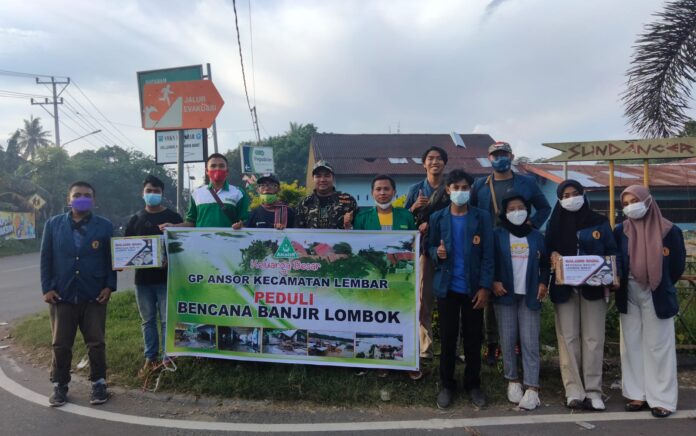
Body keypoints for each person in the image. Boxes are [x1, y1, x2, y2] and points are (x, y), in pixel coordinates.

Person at [470, 141, 551, 366]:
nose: (500, 158)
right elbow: (474, 213)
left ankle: (517, 344)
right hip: (490, 245)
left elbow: (545, 207)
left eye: (504, 154)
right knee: (491, 290)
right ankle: (492, 344)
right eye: (495, 155)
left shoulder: (527, 183)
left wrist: (531, 225)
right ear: (489, 159)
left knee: (519, 288)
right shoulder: (480, 186)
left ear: (511, 155)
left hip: (520, 245)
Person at [40, 181, 117, 407]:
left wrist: (109, 286)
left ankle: (99, 383)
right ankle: (59, 385)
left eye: (87, 195)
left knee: (96, 342)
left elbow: (111, 259)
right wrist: (47, 288)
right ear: (69, 199)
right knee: (61, 343)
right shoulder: (53, 225)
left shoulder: (104, 226)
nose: (82, 198)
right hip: (61, 294)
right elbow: (46, 259)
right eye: (77, 195)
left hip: (94, 294)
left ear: (94, 200)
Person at [545, 179, 618, 411]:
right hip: (564, 288)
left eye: (575, 193)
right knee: (568, 339)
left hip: (594, 287)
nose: (571, 198)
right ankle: (573, 390)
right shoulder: (554, 224)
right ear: (559, 199)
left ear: (583, 194)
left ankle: (594, 390)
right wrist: (553, 255)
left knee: (593, 339)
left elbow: (612, 250)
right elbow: (546, 251)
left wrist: (615, 275)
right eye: (565, 195)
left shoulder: (599, 222)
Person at [615, 185, 685, 418]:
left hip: (657, 291)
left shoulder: (669, 230)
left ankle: (662, 399)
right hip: (628, 291)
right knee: (631, 344)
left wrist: (659, 281)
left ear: (648, 201)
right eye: (625, 203)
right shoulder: (620, 230)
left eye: (634, 200)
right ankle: (637, 394)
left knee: (658, 346)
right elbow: (615, 260)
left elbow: (676, 266)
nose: (629, 207)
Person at [428, 169, 494, 409]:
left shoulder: (482, 217)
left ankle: (473, 384)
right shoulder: (438, 218)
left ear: (470, 190)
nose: (460, 192)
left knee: (474, 339)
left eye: (465, 188)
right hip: (447, 288)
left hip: (474, 289)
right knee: (447, 339)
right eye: (455, 188)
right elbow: (430, 247)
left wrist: (485, 287)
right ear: (447, 191)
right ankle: (447, 385)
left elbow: (488, 255)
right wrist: (438, 253)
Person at [353, 174, 416, 377]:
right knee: (375, 314)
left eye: (386, 189)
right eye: (378, 189)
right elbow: (357, 248)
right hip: (372, 276)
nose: (382, 193)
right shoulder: (362, 218)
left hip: (400, 278)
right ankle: (380, 361)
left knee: (399, 314)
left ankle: (405, 359)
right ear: (372, 193)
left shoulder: (406, 216)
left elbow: (412, 245)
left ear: (394, 192)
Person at [491, 192, 550, 410]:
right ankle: (513, 380)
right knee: (507, 339)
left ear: (528, 210)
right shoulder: (497, 234)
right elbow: (490, 260)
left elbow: (545, 264)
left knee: (530, 341)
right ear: (505, 213)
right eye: (511, 209)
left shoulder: (536, 236)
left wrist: (544, 283)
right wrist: (493, 282)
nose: (517, 212)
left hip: (530, 294)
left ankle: (532, 387)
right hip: (504, 293)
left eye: (521, 208)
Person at [123, 175, 182, 377]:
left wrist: (170, 260)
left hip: (166, 280)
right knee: (147, 321)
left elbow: (183, 246)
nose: (152, 194)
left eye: (156, 191)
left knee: (167, 321)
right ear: (143, 193)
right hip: (143, 281)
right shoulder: (135, 219)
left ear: (162, 194)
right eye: (149, 191)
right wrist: (122, 262)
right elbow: (125, 249)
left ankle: (168, 358)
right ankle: (150, 358)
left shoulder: (174, 218)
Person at [404, 146, 450, 373]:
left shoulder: (452, 188)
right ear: (424, 164)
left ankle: (452, 347)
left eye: (439, 158)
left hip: (451, 250)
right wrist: (414, 208)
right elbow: (404, 222)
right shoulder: (415, 190)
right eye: (430, 158)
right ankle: (426, 346)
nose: (435, 162)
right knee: (424, 298)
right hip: (424, 250)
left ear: (444, 163)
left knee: (452, 299)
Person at [160, 153, 249, 230]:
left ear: (227, 171)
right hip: (202, 246)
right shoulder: (197, 193)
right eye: (213, 166)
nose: (217, 168)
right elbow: (191, 222)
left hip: (230, 245)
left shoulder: (238, 193)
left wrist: (241, 226)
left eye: (221, 166)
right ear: (207, 171)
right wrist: (173, 227)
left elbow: (245, 223)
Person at [295, 160, 357, 229]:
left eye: (327, 176)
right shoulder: (305, 203)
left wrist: (349, 226)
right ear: (313, 178)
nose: (322, 180)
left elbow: (361, 231)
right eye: (318, 176)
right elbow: (298, 232)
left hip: (342, 240)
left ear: (333, 178)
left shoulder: (348, 201)